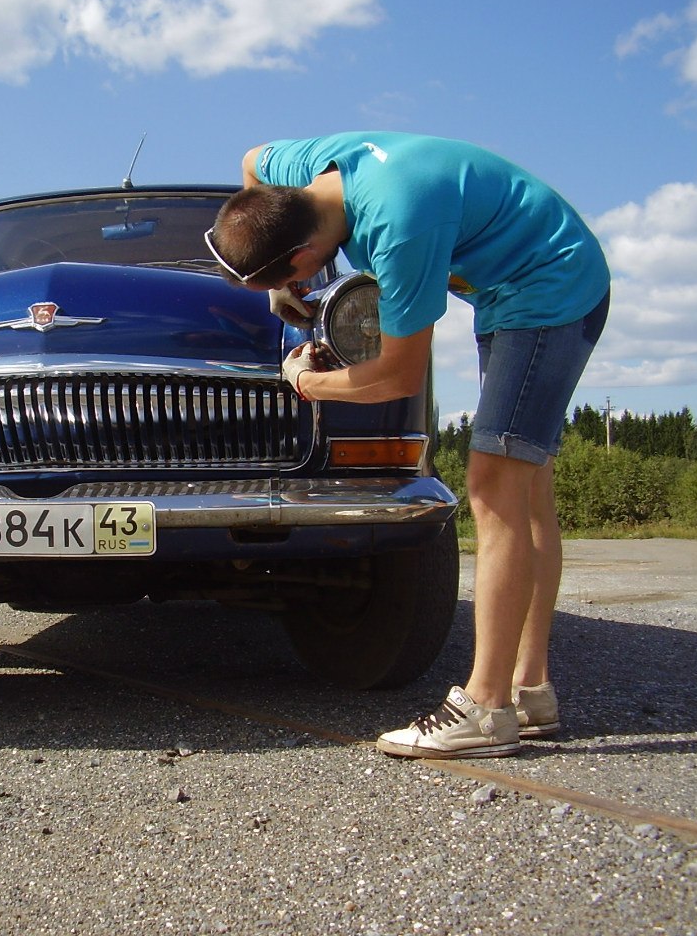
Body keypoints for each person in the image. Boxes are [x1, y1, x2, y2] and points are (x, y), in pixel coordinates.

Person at [204, 132, 610, 759]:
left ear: (307, 252)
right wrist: (277, 287)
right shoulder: (300, 174)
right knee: (528, 494)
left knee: (494, 490)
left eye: (291, 276)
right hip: (509, 287)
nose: (297, 287)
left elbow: (398, 374)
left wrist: (309, 381)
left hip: (548, 288)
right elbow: (251, 159)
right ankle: (530, 688)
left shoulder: (400, 225)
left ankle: (486, 708)